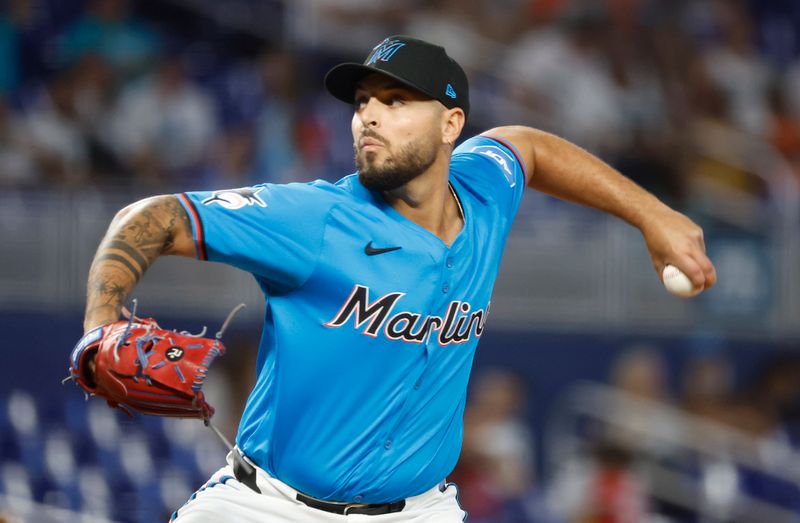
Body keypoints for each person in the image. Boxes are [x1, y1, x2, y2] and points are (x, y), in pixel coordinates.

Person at [76, 36, 716, 522]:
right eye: (362, 103)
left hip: (421, 511)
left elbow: (530, 145)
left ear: (451, 125)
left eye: (396, 101)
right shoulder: (316, 219)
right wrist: (100, 325)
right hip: (268, 507)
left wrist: (653, 215)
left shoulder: (484, 193)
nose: (369, 117)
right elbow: (153, 217)